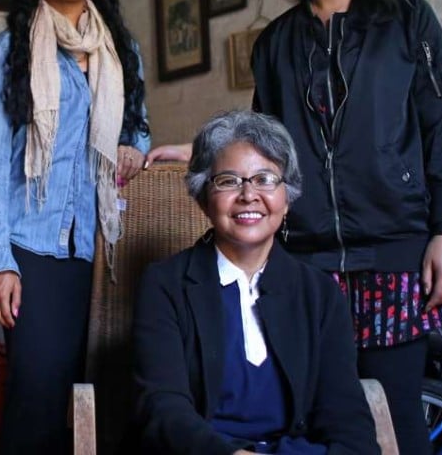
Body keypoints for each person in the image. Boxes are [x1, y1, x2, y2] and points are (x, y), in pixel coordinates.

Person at [246, 0, 442, 454]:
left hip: (395, 252)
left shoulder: (406, 20)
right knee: (323, 421)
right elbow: (264, 145)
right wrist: (200, 151)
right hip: (307, 261)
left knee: (398, 420)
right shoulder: (274, 43)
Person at [0, 0, 151, 453]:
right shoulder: (12, 50)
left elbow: (138, 130)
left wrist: (133, 148)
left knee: (95, 392)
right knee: (37, 395)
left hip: (101, 247)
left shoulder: (121, 52)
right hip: (32, 247)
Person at [134, 110, 378, 454]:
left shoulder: (319, 295)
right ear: (204, 199)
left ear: (287, 198)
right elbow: (163, 410)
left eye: (265, 179)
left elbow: (348, 422)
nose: (249, 195)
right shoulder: (165, 286)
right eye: (229, 181)